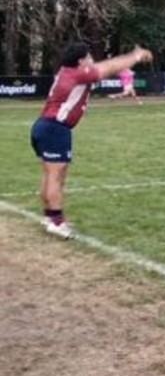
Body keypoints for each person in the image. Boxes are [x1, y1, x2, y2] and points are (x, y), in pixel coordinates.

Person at [30, 42, 153, 238]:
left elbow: (108, 68)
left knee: (49, 175)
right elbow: (108, 67)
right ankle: (57, 221)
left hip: (44, 126)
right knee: (56, 177)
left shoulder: (67, 70)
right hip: (55, 128)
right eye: (89, 57)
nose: (92, 61)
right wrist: (136, 55)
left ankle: (50, 216)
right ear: (81, 61)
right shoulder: (78, 73)